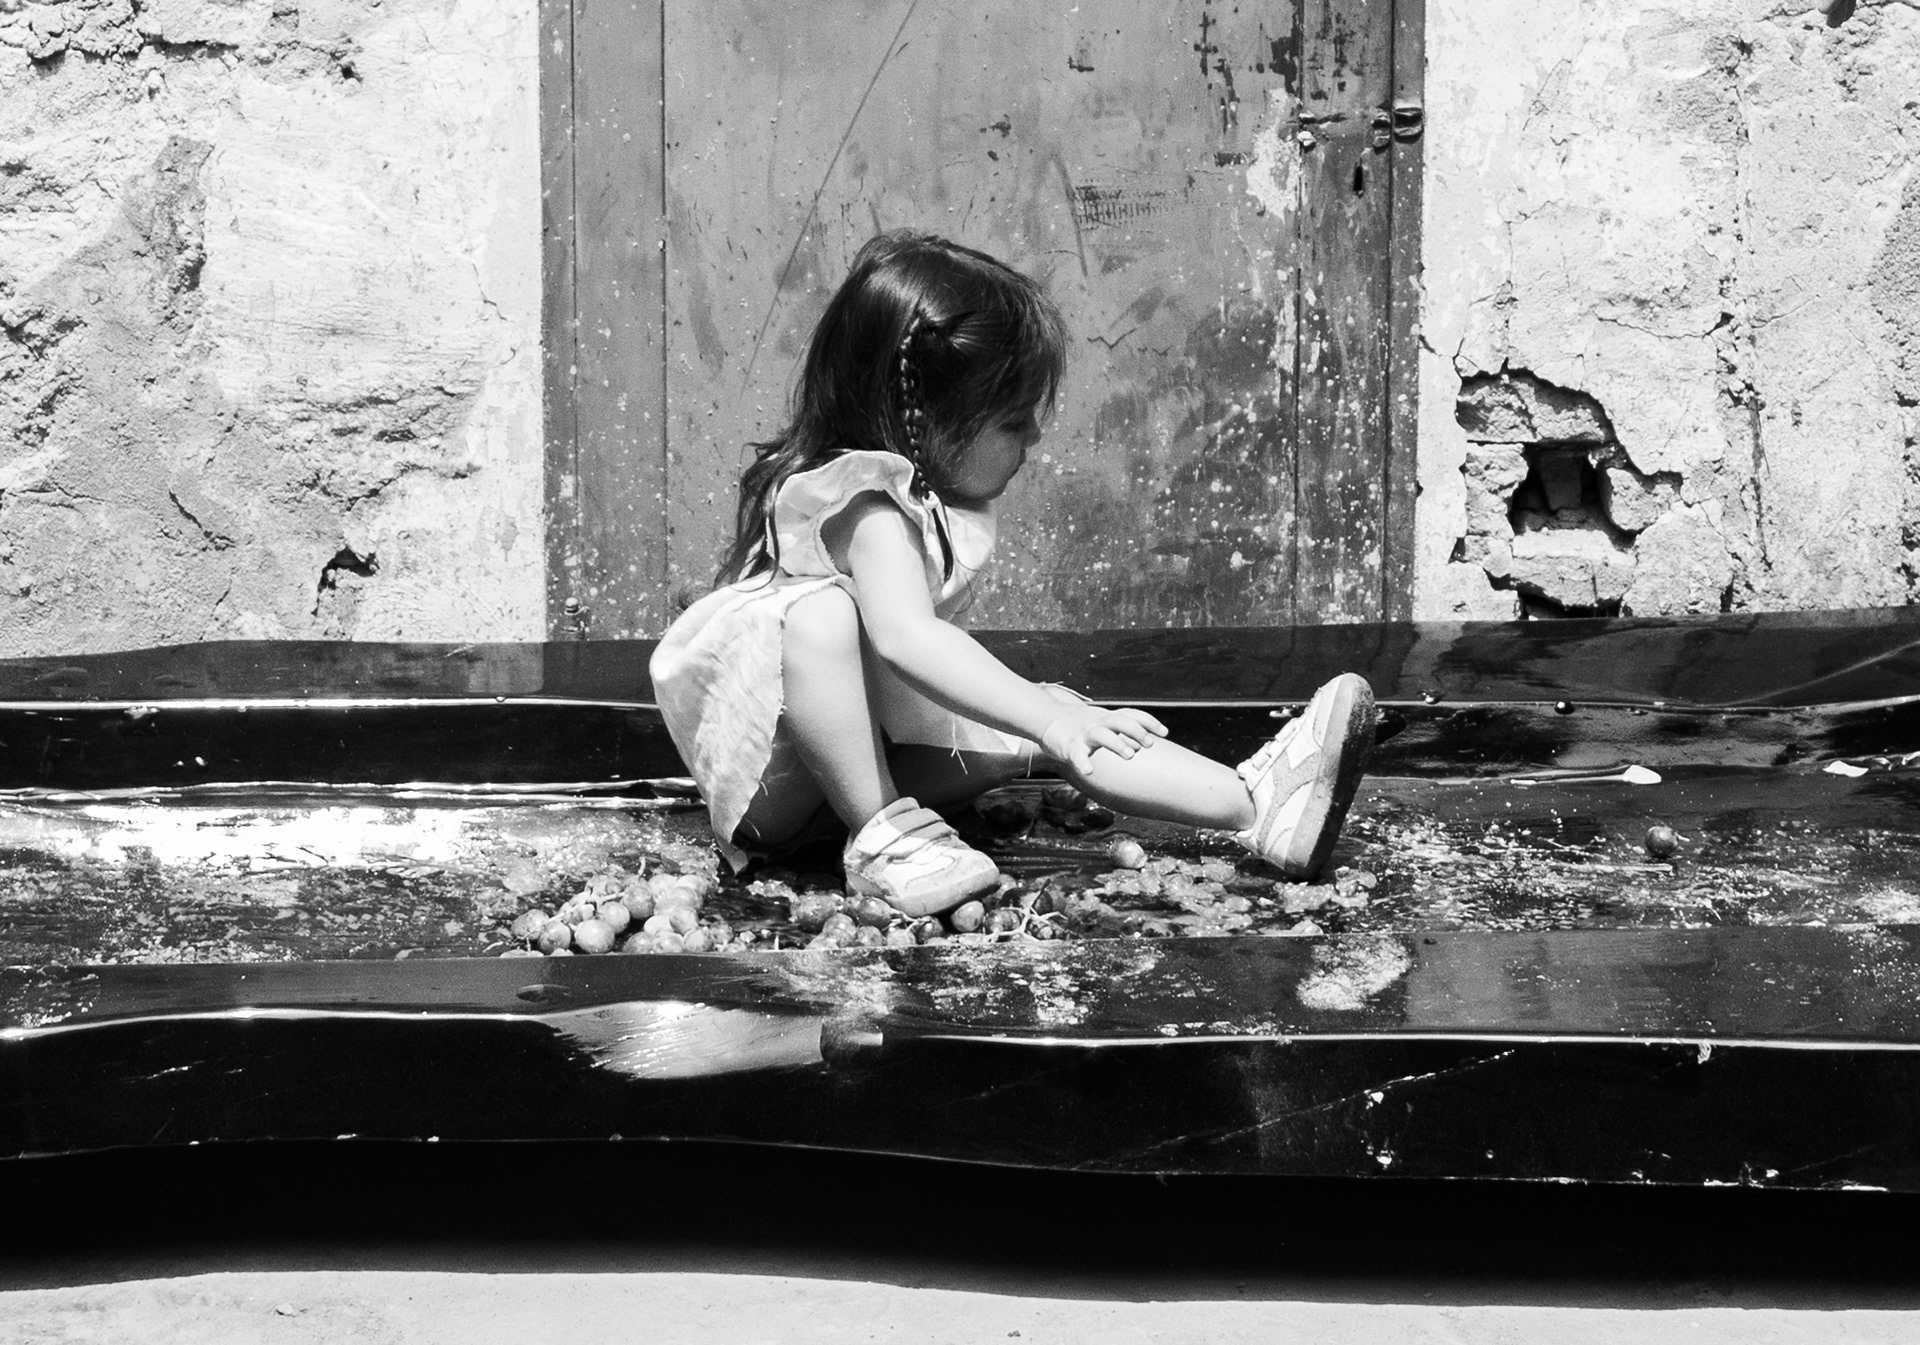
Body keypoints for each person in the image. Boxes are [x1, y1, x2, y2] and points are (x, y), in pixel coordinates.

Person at [650, 231, 1376, 918]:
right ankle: (885, 839)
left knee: (1060, 719)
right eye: (1012, 421)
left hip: (848, 776)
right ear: (920, 418)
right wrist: (1044, 717)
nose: (1034, 435)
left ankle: (1252, 804)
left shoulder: (915, 499)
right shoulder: (865, 505)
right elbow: (907, 639)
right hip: (776, 793)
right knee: (827, 619)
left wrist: (1054, 718)